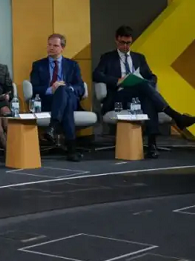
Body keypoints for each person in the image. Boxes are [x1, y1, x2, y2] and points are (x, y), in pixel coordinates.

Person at [93, 25, 195, 158]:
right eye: (123, 43)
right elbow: (96, 75)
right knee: (144, 89)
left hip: (139, 96)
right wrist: (117, 80)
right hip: (119, 97)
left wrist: (146, 84)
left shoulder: (139, 58)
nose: (126, 46)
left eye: (128, 43)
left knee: (146, 94)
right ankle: (176, 117)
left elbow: (152, 77)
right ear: (116, 40)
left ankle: (152, 146)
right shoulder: (108, 57)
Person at [29, 34, 84, 161]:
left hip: (69, 97)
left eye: (55, 45)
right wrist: (51, 89)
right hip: (48, 100)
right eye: (49, 45)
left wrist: (66, 88)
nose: (51, 48)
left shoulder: (72, 65)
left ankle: (53, 126)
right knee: (66, 105)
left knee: (63, 90)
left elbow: (80, 87)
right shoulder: (38, 65)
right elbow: (34, 88)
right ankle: (71, 149)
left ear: (62, 48)